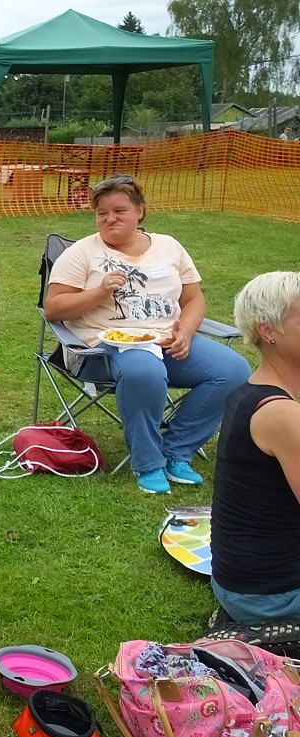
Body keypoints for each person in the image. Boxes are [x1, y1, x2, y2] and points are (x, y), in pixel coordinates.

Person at [43, 175, 250, 494]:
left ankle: (177, 451)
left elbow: (194, 299)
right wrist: (98, 294)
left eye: (119, 210)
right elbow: (54, 307)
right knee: (145, 370)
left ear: (140, 211)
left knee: (233, 371)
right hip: (108, 346)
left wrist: (186, 330)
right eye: (101, 213)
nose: (109, 218)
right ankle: (149, 462)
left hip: (168, 341)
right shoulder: (83, 253)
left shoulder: (169, 246)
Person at [210, 272, 300, 623]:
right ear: (268, 330)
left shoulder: (249, 391)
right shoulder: (282, 414)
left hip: (240, 582)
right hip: (271, 597)